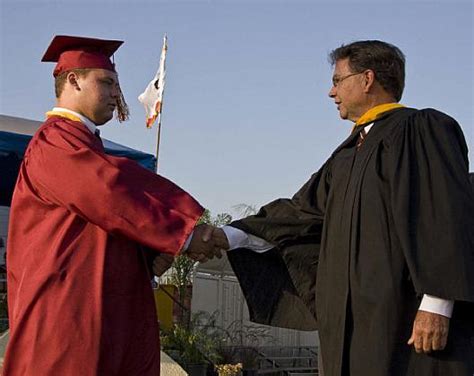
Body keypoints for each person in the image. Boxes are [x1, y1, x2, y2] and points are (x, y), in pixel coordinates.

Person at [209, 40, 474, 375]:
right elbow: (301, 212)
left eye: (337, 81)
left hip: (403, 319)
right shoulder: (347, 153)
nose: (331, 93)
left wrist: (437, 304)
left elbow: (446, 214)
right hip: (349, 325)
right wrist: (227, 235)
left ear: (367, 79)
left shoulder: (422, 129)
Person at [3, 35, 220, 375]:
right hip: (63, 326)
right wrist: (184, 233)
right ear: (73, 80)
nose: (117, 94)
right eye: (106, 82)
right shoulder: (54, 143)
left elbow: (98, 228)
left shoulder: (85, 147)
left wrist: (149, 255)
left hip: (90, 322)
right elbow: (108, 192)